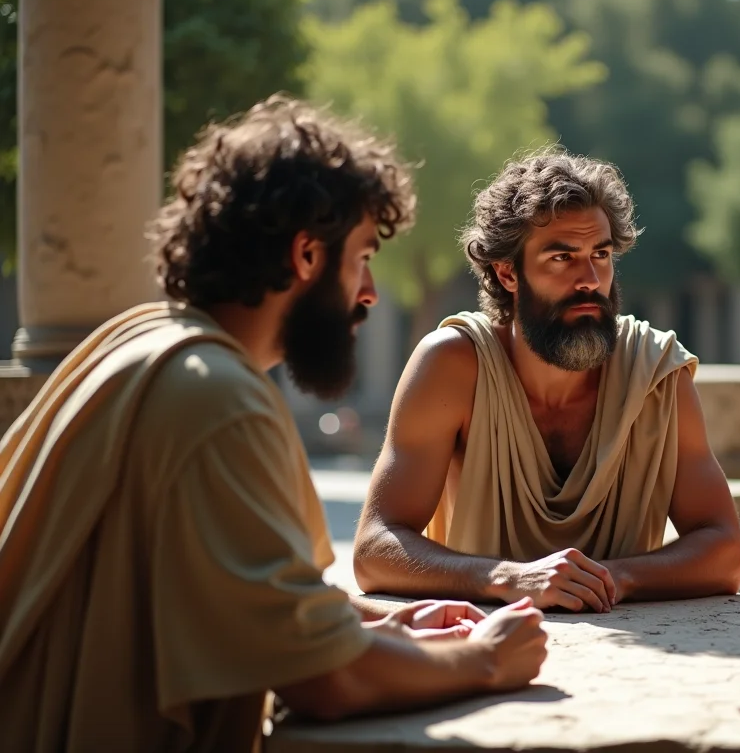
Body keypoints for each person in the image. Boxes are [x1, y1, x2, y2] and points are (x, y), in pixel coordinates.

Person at [0, 96, 549, 752]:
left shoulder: (137, 343)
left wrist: (383, 621)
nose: (370, 291)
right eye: (363, 257)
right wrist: (486, 660)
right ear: (307, 255)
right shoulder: (216, 399)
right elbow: (322, 678)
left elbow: (238, 591)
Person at [353, 148, 740, 612]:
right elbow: (375, 551)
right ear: (507, 272)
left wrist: (611, 579)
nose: (589, 279)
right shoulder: (453, 365)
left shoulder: (657, 373)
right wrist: (508, 578)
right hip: (487, 647)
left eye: (601, 254)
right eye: (562, 257)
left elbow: (726, 554)